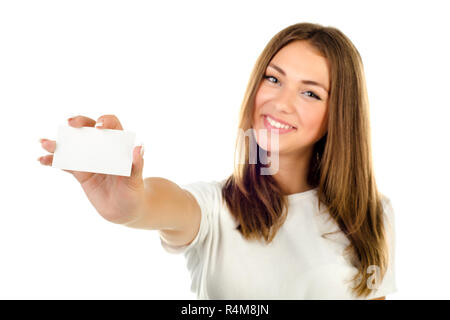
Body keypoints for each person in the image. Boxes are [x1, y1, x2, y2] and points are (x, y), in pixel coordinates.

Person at [37, 22, 396, 300]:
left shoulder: (374, 214)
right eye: (273, 78)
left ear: (339, 115)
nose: (281, 103)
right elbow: (163, 203)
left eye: (310, 92)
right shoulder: (215, 208)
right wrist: (130, 205)